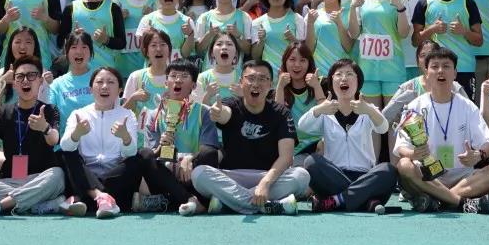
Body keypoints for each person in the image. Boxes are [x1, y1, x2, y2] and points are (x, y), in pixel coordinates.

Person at [0, 55, 83, 217]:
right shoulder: (3, 111)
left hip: (41, 177)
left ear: (40, 81)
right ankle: (35, 203)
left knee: (57, 175)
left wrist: (45, 128)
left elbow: (54, 139)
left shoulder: (49, 110)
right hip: (11, 179)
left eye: (31, 75)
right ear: (14, 83)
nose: (26, 80)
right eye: (20, 77)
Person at [191, 59, 310, 215]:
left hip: (269, 176)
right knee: (199, 174)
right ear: (241, 82)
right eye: (251, 78)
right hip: (232, 177)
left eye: (262, 79)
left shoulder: (281, 113)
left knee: (301, 175)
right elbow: (225, 113)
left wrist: (265, 183)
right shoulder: (231, 104)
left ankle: (229, 204)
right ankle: (265, 205)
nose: (256, 84)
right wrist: (218, 113)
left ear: (270, 84)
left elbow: (286, 157)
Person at [393, 47, 489, 213]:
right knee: (404, 165)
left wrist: (478, 155)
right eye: (434, 66)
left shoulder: (467, 106)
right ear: (426, 72)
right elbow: (401, 147)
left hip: (462, 178)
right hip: (427, 175)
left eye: (446, 66)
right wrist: (413, 154)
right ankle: (459, 202)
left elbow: (488, 144)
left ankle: (439, 200)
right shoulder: (414, 106)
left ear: (455, 73)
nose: (440, 71)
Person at [298, 59, 398, 212]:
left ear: (358, 82)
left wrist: (369, 111)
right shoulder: (326, 110)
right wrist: (319, 109)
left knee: (388, 170)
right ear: (332, 81)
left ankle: (337, 201)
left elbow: (383, 128)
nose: (343, 78)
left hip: (365, 176)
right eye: (338, 74)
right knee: (311, 162)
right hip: (333, 177)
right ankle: (364, 201)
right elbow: (302, 126)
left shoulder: (367, 109)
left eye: (349, 74)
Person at [133, 59, 221, 214]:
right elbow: (151, 154)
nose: (178, 80)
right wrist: (162, 147)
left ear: (193, 86)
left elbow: (208, 147)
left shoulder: (203, 112)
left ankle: (166, 201)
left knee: (210, 154)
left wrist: (189, 158)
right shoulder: (154, 115)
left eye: (184, 76)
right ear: (166, 83)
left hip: (192, 170)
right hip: (165, 172)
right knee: (143, 155)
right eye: (173, 76)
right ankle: (191, 200)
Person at [60, 66, 142, 217]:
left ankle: (83, 199)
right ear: (91, 89)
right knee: (67, 153)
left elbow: (131, 153)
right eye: (99, 82)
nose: (104, 86)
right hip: (87, 174)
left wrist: (125, 137)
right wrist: (77, 133)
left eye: (111, 82)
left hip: (114, 176)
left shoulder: (127, 115)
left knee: (140, 157)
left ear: (120, 90)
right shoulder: (78, 114)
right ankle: (101, 197)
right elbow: (65, 145)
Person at [350, 0, 411, 123]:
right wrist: (353, 8)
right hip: (367, 70)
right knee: (371, 123)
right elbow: (353, 34)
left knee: (394, 122)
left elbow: (404, 33)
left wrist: (400, 9)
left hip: (393, 69)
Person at [411, 0, 482, 98]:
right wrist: (432, 29)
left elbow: (479, 40)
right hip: (436, 70)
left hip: (463, 68)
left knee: (465, 110)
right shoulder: (424, 2)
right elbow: (415, 41)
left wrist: (464, 31)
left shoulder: (468, 2)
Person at [251, 0, 306, 76]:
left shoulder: (297, 18)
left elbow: (305, 52)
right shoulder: (257, 23)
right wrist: (261, 41)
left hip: (292, 75)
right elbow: (255, 56)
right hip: (268, 76)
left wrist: (293, 40)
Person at [305, 0, 356, 75]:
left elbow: (349, 47)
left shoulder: (350, 13)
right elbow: (309, 50)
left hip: (344, 74)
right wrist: (310, 23)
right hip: (320, 73)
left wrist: (339, 23)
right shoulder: (312, 15)